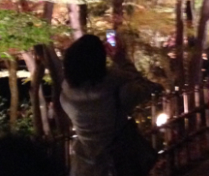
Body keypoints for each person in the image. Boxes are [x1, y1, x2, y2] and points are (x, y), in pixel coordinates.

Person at [60, 34, 156, 176]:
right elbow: (144, 88)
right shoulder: (118, 90)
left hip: (85, 166)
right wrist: (121, 60)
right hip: (119, 164)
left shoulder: (66, 97)